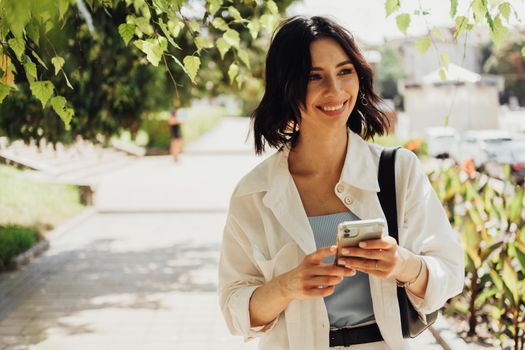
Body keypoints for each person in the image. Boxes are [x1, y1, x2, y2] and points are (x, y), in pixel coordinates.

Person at [218, 16, 464, 350]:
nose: (334, 91)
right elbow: (235, 310)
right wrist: (287, 285)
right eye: (313, 76)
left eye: (344, 71)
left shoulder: (398, 170)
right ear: (285, 86)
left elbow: (449, 272)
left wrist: (403, 264)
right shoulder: (254, 193)